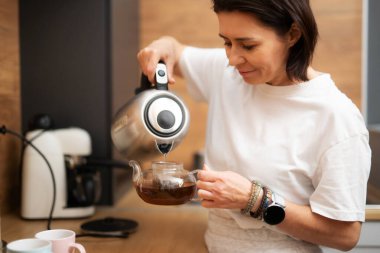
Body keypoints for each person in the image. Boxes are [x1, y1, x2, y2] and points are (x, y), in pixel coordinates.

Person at [137, 0, 371, 252]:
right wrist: (160, 47)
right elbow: (175, 50)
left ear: (293, 34)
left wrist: (255, 200)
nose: (233, 58)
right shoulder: (227, 73)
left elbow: (345, 235)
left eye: (248, 45)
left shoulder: (336, 117)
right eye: (227, 42)